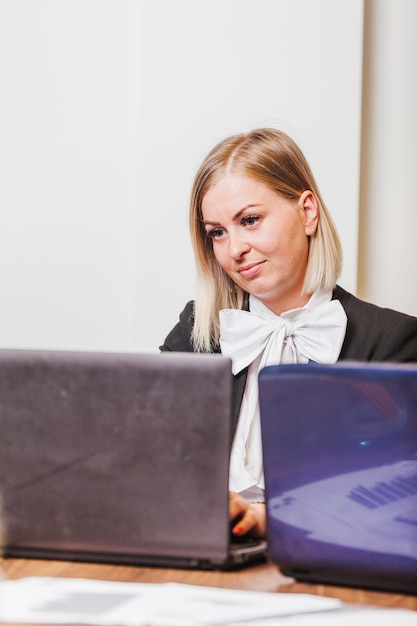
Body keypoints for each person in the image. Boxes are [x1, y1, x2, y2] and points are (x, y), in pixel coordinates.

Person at [160, 127, 417, 538]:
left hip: (327, 564)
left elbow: (399, 500)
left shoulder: (393, 341)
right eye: (217, 232)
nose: (234, 249)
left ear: (307, 212)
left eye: (250, 220)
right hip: (200, 553)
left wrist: (271, 520)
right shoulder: (197, 333)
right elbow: (148, 462)